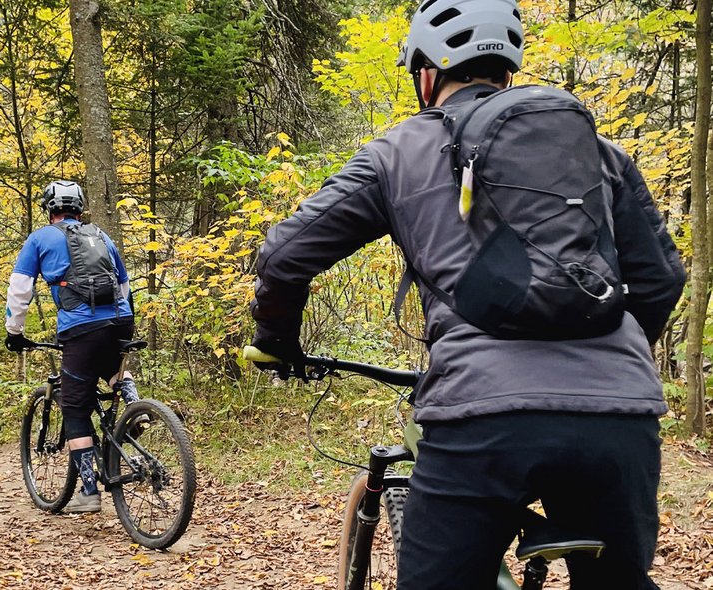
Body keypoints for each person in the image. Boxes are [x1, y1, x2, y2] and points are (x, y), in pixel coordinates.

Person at [247, 0, 685, 588]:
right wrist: (613, 361)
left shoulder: (398, 152)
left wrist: (277, 339)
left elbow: (283, 256)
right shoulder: (598, 153)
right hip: (620, 416)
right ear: (507, 70)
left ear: (426, 75)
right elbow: (661, 279)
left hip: (483, 412)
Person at [5, 179, 138, 514]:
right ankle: (135, 404)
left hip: (80, 327)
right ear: (79, 208)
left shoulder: (40, 238)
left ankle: (89, 492)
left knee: (75, 407)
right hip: (120, 319)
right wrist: (119, 320)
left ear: (50, 209)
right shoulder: (101, 236)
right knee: (110, 364)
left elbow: (21, 289)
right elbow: (123, 285)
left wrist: (14, 331)